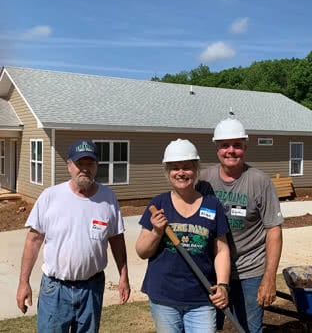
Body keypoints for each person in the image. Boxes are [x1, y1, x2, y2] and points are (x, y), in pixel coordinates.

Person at [16, 139, 131, 333]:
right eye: (79, 164)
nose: (84, 169)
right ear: (69, 166)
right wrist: (23, 282)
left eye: (90, 164)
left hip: (91, 288)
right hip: (55, 290)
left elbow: (117, 240)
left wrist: (124, 276)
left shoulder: (108, 198)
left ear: (96, 166)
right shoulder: (50, 196)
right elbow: (33, 241)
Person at [197, 118, 284, 333]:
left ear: (245, 147)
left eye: (237, 145)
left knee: (250, 328)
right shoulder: (203, 181)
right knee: (208, 326)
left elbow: (273, 230)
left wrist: (269, 277)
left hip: (250, 271)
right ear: (217, 148)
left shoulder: (259, 181)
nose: (231, 151)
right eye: (225, 145)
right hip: (213, 270)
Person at [136, 138, 231, 333]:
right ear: (167, 172)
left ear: (196, 170)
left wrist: (222, 285)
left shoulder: (212, 205)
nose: (181, 173)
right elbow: (142, 251)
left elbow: (221, 250)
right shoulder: (158, 204)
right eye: (175, 168)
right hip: (164, 297)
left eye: (187, 167)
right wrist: (156, 231)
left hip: (202, 298)